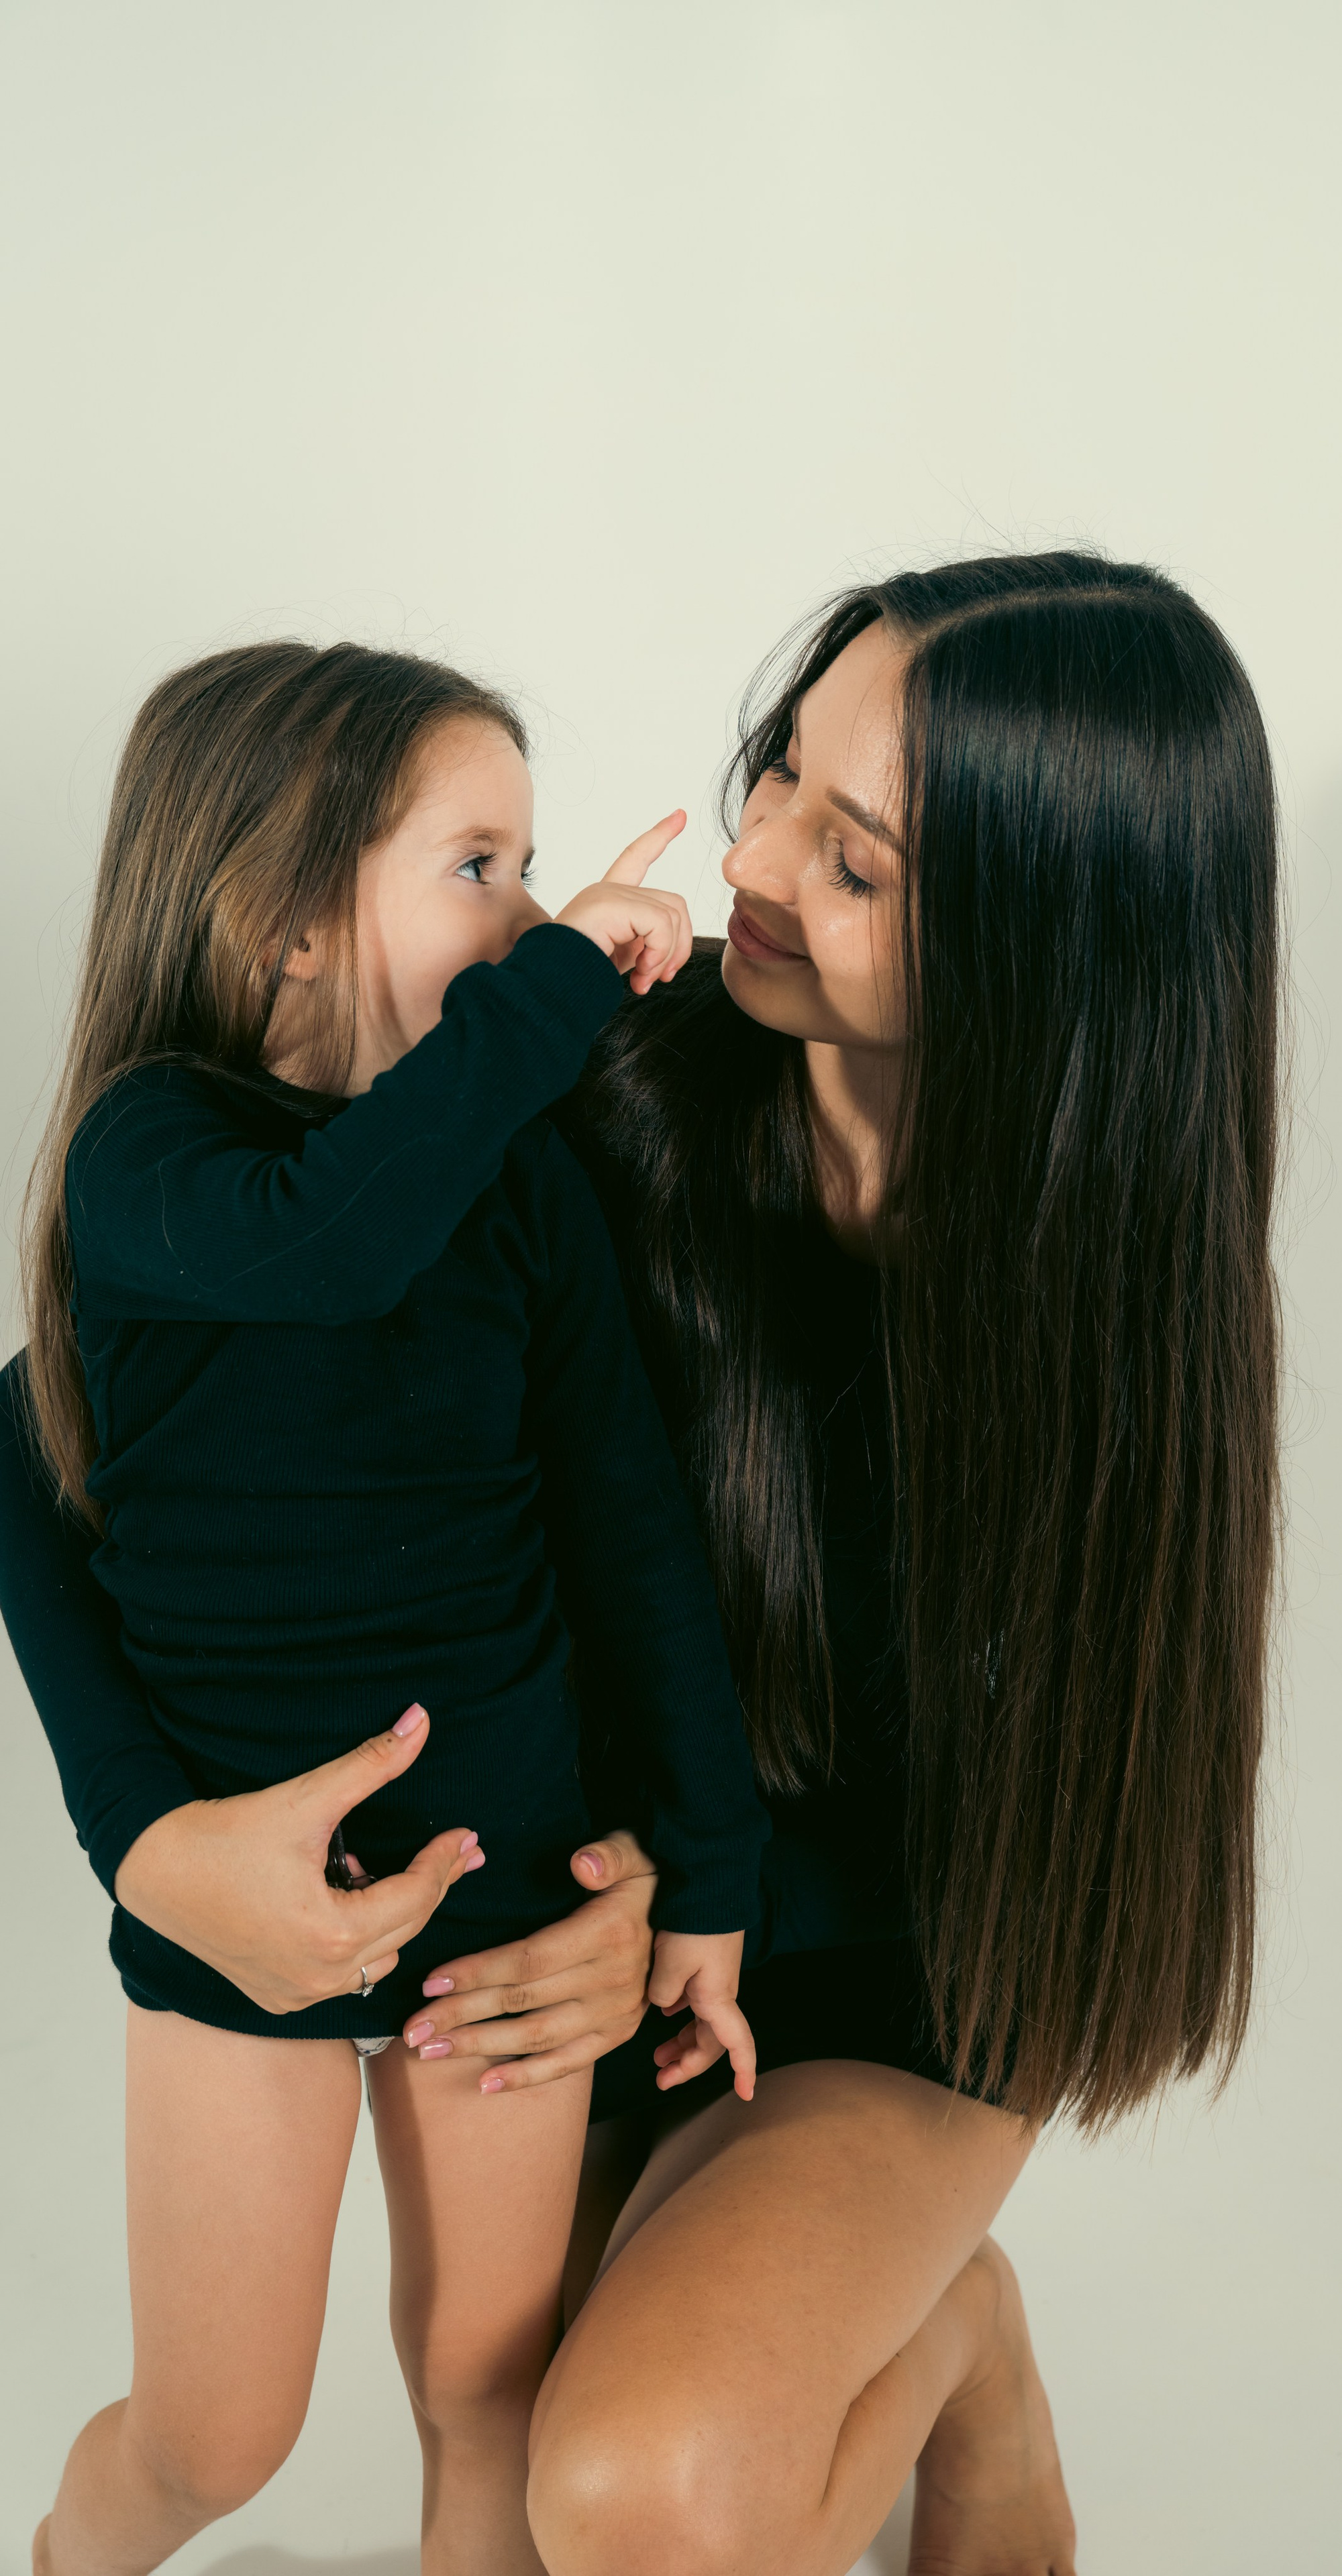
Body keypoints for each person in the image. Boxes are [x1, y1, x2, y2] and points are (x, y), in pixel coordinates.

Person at [1, 550, 1282, 2576]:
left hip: (869, 1986)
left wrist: (682, 1901)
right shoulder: (563, 1088)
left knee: (636, 2500)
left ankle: (948, 2344)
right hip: (545, 1930)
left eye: (852, 862)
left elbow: (1049, 1824)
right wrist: (148, 1837)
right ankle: (910, 2341)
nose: (752, 855)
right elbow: (61, 1404)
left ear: (1046, 944)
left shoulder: (1108, 1307)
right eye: (778, 771)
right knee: (504, 2484)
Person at [7, 641, 769, 2576]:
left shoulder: (521, 1189)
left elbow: (631, 1536)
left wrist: (710, 1874)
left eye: (531, 873)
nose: (532, 915)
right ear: (279, 926)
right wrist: (552, 994)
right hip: (235, 1926)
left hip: (502, 1902)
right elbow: (330, 1247)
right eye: (480, 869)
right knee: (216, 2437)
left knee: (486, 2397)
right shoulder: (152, 1161)